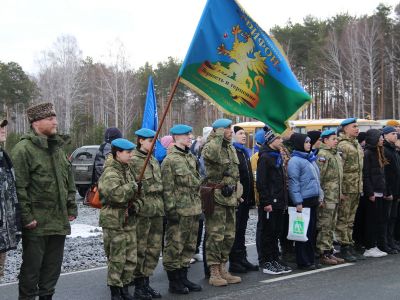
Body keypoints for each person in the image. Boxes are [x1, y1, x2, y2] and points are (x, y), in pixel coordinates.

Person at [11, 102, 78, 300]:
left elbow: (69, 180)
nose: (55, 122)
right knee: (32, 270)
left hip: (58, 221)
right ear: (36, 123)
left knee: (52, 269)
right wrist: (27, 217)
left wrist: (71, 207)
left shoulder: (56, 148)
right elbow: (19, 187)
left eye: (55, 118)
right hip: (37, 223)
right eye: (50, 119)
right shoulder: (23, 150)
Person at [161, 124, 202, 294]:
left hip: (193, 209)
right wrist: (171, 212)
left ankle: (184, 277)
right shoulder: (170, 160)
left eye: (189, 134)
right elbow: (167, 189)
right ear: (177, 137)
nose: (190, 137)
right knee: (174, 247)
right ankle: (174, 281)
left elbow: (197, 183)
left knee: (189, 246)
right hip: (178, 211)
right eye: (186, 135)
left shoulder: (190, 157)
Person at [98, 138, 141, 300]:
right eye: (128, 152)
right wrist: (133, 187)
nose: (131, 155)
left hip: (128, 218)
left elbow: (133, 192)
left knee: (130, 256)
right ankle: (115, 290)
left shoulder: (126, 169)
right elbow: (116, 194)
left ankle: (124, 287)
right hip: (114, 220)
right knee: (117, 257)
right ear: (118, 153)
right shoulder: (110, 172)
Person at [202, 119, 241, 287]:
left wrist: (238, 192)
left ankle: (224, 267)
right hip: (216, 195)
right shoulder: (211, 145)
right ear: (218, 131)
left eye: (231, 128)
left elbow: (234, 172)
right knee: (215, 235)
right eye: (227, 129)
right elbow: (211, 155)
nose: (231, 131)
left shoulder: (230, 147)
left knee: (229, 235)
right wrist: (217, 136)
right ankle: (214, 271)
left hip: (230, 196)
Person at [130, 128, 164, 299]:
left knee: (153, 248)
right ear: (140, 141)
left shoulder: (153, 159)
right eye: (150, 141)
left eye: (154, 141)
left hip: (157, 209)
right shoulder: (133, 160)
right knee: (140, 248)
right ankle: (138, 286)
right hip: (143, 210)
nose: (153, 144)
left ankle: (146, 283)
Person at [256, 126, 292, 275]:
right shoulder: (265, 157)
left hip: (279, 201)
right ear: (271, 140)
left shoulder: (276, 154)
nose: (281, 140)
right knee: (268, 233)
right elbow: (261, 182)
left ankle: (274, 258)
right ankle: (267, 261)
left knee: (276, 231)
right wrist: (266, 202)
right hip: (270, 202)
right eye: (278, 138)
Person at [287, 133, 323, 270]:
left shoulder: (310, 158)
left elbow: (316, 180)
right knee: (303, 232)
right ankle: (303, 261)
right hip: (303, 201)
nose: (309, 144)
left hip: (313, 199)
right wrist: (298, 202)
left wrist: (320, 196)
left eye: (309, 142)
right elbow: (294, 183)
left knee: (312, 231)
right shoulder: (295, 161)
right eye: (306, 142)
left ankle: (310, 258)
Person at [228, 126, 258, 273]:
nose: (244, 136)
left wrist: (251, 198)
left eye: (244, 134)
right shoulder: (232, 152)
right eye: (240, 134)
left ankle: (242, 258)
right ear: (233, 136)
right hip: (237, 200)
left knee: (242, 231)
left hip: (246, 199)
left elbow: (248, 178)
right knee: (236, 230)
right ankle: (234, 261)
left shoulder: (243, 152)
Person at [335, 118, 364, 262]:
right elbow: (339, 170)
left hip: (356, 188)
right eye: (354, 126)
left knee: (351, 219)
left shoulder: (356, 145)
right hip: (346, 188)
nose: (357, 129)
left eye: (357, 126)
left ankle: (349, 244)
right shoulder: (343, 146)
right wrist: (340, 191)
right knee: (343, 219)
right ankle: (343, 247)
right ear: (345, 129)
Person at [315, 130, 345, 265]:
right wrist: (321, 197)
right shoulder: (323, 155)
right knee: (324, 225)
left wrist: (340, 193)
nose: (336, 141)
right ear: (325, 140)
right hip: (327, 197)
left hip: (335, 196)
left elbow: (338, 178)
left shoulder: (335, 155)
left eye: (336, 138)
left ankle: (328, 251)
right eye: (333, 138)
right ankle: (322, 252)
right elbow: (319, 177)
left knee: (331, 224)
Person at [361, 129, 391, 257]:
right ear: (374, 138)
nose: (382, 139)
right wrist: (370, 192)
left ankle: (374, 245)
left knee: (377, 220)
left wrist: (384, 190)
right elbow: (366, 175)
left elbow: (381, 175)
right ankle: (369, 247)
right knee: (371, 221)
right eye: (380, 137)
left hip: (379, 192)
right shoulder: (368, 153)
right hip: (372, 193)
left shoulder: (379, 152)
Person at [0, 115, 21, 281]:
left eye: (3, 126)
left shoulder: (4, 156)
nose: (3, 129)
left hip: (3, 234)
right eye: (0, 126)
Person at [382, 127, 400, 252]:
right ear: (385, 136)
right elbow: (386, 174)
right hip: (389, 191)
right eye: (393, 134)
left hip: (396, 190)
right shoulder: (385, 150)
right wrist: (388, 191)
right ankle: (386, 243)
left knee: (393, 217)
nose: (395, 136)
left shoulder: (394, 150)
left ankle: (391, 240)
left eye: (396, 134)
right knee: (387, 218)